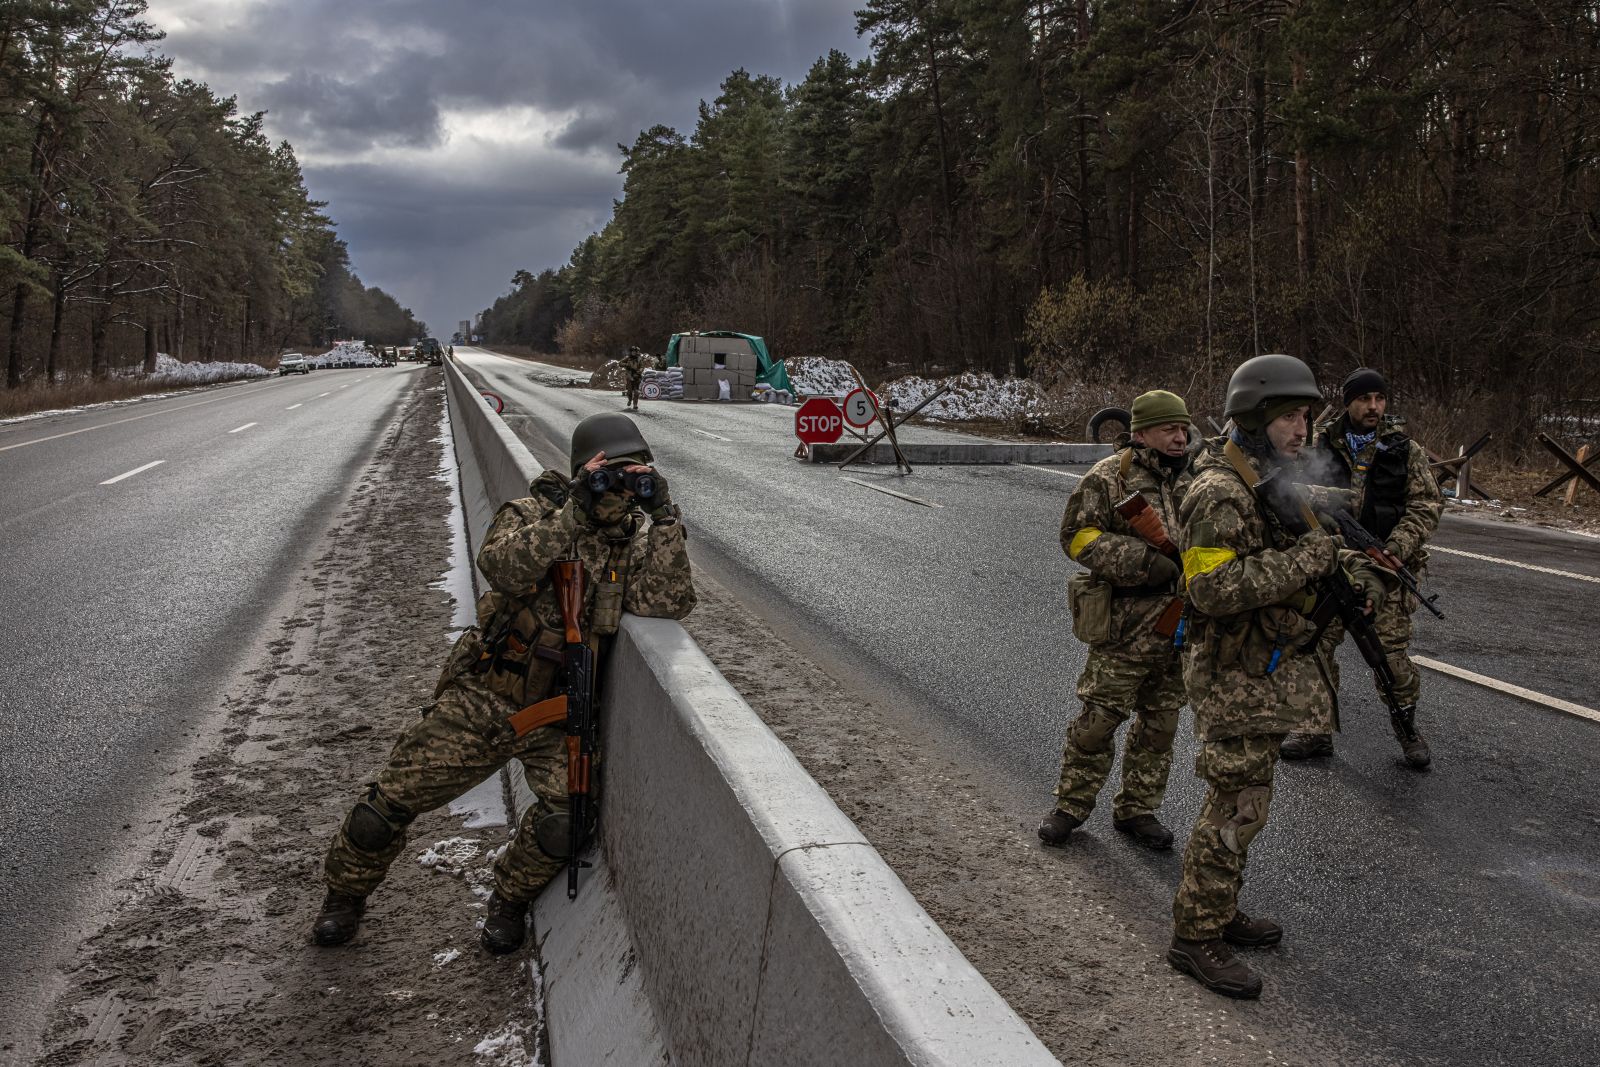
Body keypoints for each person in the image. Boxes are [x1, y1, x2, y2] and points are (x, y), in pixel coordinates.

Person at [311, 413, 696, 953]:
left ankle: (509, 898)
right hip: (488, 696)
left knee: (567, 822)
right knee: (387, 805)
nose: (621, 485)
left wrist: (666, 520)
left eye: (636, 473)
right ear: (582, 469)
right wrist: (574, 513)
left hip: (559, 712)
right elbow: (502, 567)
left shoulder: (631, 543)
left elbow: (667, 602)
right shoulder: (534, 513)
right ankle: (343, 897)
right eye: (610, 471)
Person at [1167, 354, 1388, 999]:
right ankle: (1195, 936)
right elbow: (1209, 588)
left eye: (1306, 416)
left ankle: (1219, 911)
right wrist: (1309, 558)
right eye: (1290, 416)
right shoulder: (1218, 492)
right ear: (1257, 418)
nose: (1302, 428)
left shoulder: (1264, 474)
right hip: (1230, 674)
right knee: (1237, 803)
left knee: (1249, 798)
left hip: (1256, 670)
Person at [1039, 390, 1194, 851]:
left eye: (1184, 429)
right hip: (1125, 625)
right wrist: (1142, 559)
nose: (1180, 438)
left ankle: (1138, 810)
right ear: (1142, 433)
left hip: (1178, 623)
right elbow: (1076, 536)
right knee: (1098, 721)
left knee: (1160, 724)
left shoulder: (1196, 480)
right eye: (1170, 429)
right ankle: (1070, 806)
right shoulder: (1109, 479)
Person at [1281, 367, 1441, 768]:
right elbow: (1289, 496)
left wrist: (1394, 549)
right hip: (1330, 565)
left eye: (1380, 399)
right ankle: (1313, 729)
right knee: (1312, 645)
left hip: (1386, 568)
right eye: (1364, 399)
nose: (1373, 407)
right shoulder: (1317, 445)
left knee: (1389, 656)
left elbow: (1426, 506)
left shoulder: (1404, 450)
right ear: (1349, 402)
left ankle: (1408, 731)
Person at [620, 346, 647, 410]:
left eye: (635, 351)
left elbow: (642, 367)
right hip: (629, 376)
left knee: (636, 392)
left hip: (637, 376)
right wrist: (627, 365)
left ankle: (635, 404)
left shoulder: (639, 359)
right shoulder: (627, 358)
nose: (634, 353)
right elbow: (620, 363)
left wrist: (638, 372)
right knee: (629, 391)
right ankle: (630, 400)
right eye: (632, 351)